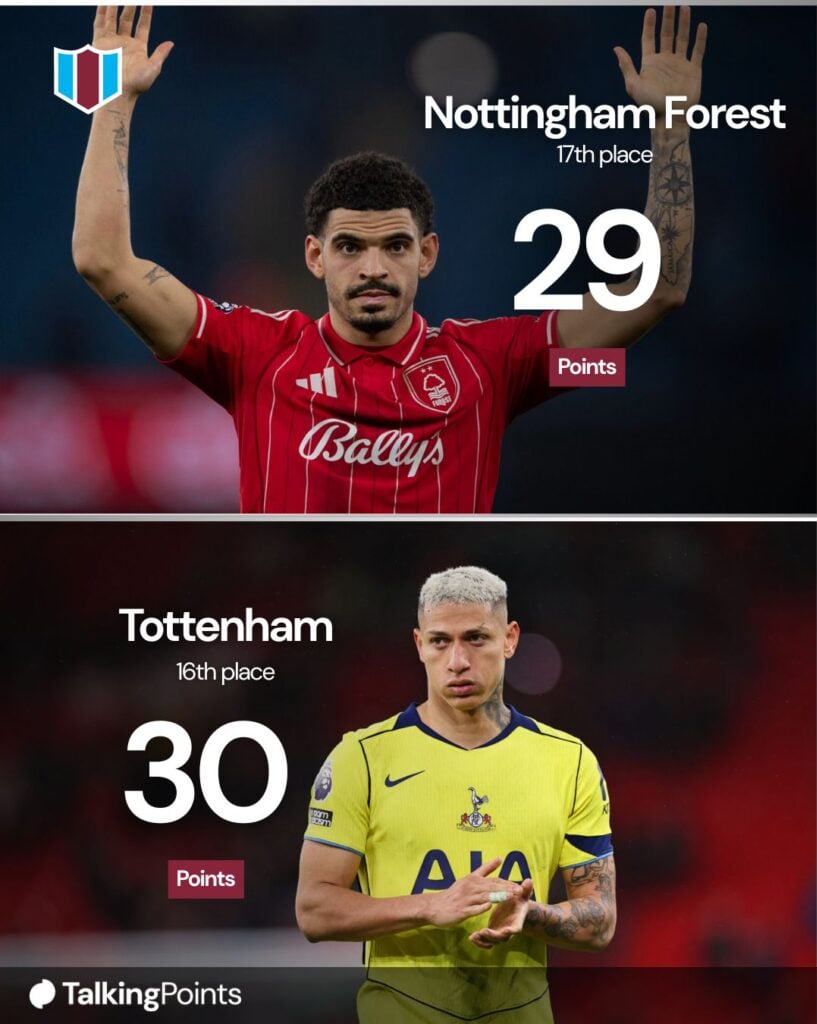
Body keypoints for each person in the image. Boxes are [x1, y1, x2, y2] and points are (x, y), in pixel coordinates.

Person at [73, 7, 706, 512]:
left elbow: (657, 292)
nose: (373, 268)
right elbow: (103, 260)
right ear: (315, 256)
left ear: (427, 254)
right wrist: (113, 101)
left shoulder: (487, 366)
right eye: (350, 247)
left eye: (394, 246)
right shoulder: (255, 354)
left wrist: (672, 126)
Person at [295, 566, 615, 1022]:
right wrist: (431, 906)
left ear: (510, 638)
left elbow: (600, 922)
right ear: (419, 645)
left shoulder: (571, 761)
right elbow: (313, 910)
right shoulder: (360, 759)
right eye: (441, 641)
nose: (457, 660)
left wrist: (532, 914)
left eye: (476, 639)